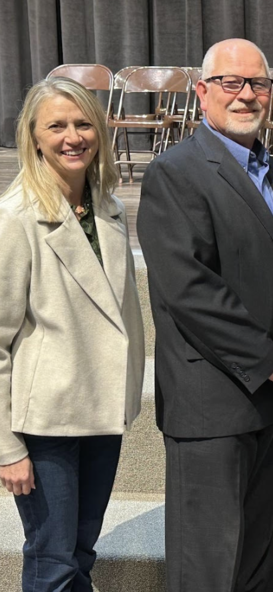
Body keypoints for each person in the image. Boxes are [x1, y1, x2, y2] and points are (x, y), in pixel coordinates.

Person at [137, 38, 273, 592]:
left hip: (268, 396)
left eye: (257, 84)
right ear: (202, 92)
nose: (245, 95)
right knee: (207, 570)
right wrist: (272, 362)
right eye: (231, 83)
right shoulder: (177, 172)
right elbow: (189, 289)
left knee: (255, 563)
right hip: (212, 403)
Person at [0, 77, 145, 591]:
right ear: (33, 137)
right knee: (53, 561)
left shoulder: (109, 208)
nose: (73, 136)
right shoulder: (15, 218)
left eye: (83, 123)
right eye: (56, 126)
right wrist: (7, 447)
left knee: (80, 554)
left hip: (100, 415)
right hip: (45, 426)